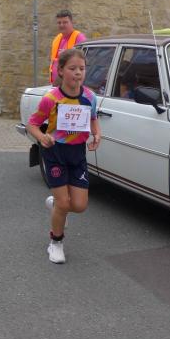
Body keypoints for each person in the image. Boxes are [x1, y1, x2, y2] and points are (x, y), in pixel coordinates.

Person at [27, 48, 101, 264]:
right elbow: (32, 124)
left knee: (79, 205)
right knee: (64, 203)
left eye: (82, 69)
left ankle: (56, 205)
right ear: (60, 71)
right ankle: (56, 242)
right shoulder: (51, 99)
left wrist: (97, 133)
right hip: (55, 153)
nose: (78, 73)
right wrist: (42, 137)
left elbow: (93, 118)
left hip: (77, 154)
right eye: (72, 68)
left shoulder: (90, 97)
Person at [48, 9, 86, 84]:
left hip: (72, 84)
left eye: (65, 22)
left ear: (71, 23)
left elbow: (83, 60)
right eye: (59, 23)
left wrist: (66, 54)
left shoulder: (79, 38)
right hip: (56, 83)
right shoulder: (57, 39)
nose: (61, 25)